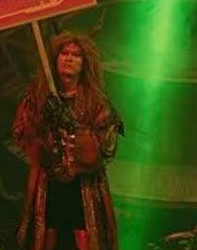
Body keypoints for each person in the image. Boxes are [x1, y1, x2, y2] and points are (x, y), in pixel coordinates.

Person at [12, 31, 123, 250]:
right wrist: (42, 128)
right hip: (49, 181)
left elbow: (108, 142)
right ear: (56, 59)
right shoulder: (38, 97)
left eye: (75, 55)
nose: (69, 58)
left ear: (84, 63)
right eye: (64, 53)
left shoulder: (95, 102)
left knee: (84, 234)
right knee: (48, 231)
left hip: (84, 186)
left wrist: (76, 136)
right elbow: (21, 132)